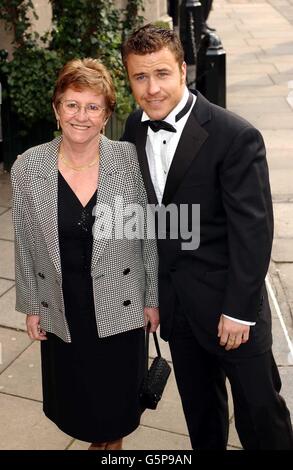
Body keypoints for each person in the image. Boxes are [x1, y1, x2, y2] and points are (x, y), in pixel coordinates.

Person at [120, 24, 293, 450]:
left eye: (161, 73)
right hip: (178, 311)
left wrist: (238, 310)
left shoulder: (234, 136)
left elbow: (253, 232)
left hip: (233, 310)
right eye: (140, 76)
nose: (152, 88)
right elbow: (144, 221)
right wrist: (151, 294)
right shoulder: (134, 128)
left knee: (261, 417)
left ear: (183, 70)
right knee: (201, 416)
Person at [11, 58, 159, 450]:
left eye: (93, 106)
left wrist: (152, 299)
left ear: (107, 113)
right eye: (72, 104)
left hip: (120, 309)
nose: (81, 116)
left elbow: (147, 238)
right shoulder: (28, 167)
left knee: (116, 412)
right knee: (81, 407)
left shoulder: (129, 161)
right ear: (56, 109)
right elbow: (25, 243)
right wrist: (31, 306)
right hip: (63, 307)